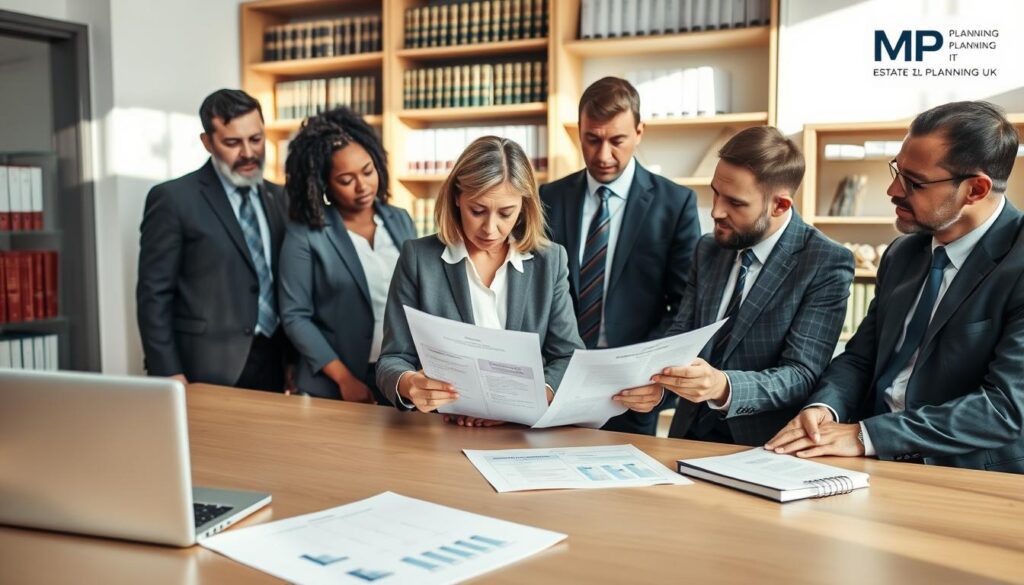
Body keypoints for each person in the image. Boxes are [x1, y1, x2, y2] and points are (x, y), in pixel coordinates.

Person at [766, 101, 1024, 474]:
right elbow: (860, 357)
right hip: (864, 457)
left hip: (963, 473)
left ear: (975, 189)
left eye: (914, 182)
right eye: (897, 171)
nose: (892, 190)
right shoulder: (903, 253)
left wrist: (865, 436)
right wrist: (823, 408)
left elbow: (1004, 407)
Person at [618, 126, 855, 446]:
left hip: (764, 448)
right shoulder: (708, 249)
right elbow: (680, 339)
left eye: (735, 203)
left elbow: (800, 375)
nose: (716, 211)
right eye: (715, 192)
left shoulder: (825, 262)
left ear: (780, 206)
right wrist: (657, 386)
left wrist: (722, 386)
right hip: (687, 438)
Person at [376, 136, 584, 426]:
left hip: (521, 435)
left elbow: (569, 357)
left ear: (524, 206)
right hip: (441, 433)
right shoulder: (418, 258)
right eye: (478, 210)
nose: (490, 228)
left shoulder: (550, 261)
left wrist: (524, 401)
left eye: (505, 213)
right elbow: (392, 359)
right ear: (457, 197)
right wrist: (409, 384)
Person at [540, 76, 701, 435]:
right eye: (592, 140)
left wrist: (647, 372)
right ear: (579, 131)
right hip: (556, 380)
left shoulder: (675, 205)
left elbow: (685, 307)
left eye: (617, 141)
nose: (603, 155)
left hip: (633, 387)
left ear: (640, 131)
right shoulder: (548, 198)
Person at [137, 89, 290, 390]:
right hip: (205, 367)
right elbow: (154, 295)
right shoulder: (173, 199)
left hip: (274, 360)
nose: (248, 153)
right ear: (207, 142)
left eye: (256, 139)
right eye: (232, 142)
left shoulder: (281, 197)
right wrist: (168, 372)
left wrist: (294, 362)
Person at [278, 108, 415, 404]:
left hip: (398, 374)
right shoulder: (305, 234)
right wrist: (344, 379)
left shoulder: (400, 219)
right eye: (346, 179)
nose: (362, 186)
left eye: (368, 171)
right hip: (335, 382)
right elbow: (295, 316)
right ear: (325, 184)